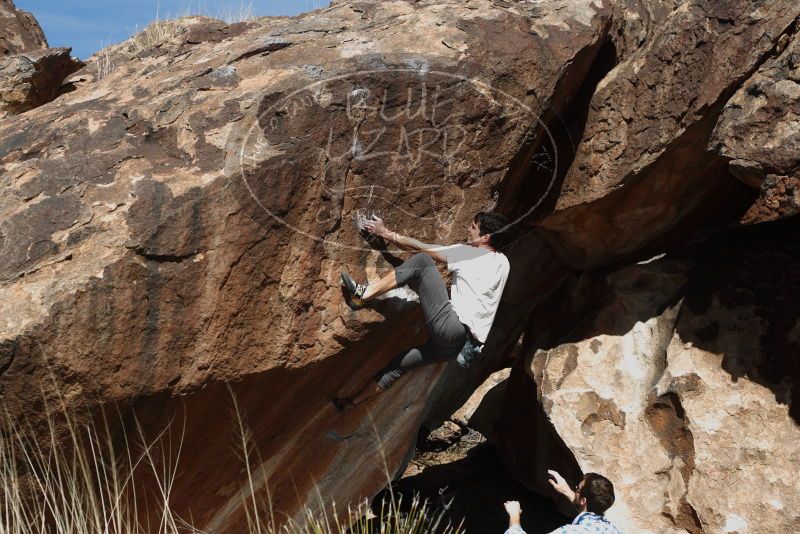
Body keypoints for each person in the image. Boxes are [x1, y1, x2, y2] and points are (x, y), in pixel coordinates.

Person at [334, 211, 510, 410]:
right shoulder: (504, 263)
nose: (468, 228)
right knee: (399, 365)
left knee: (422, 262)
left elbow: (421, 248)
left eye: (474, 226)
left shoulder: (469, 253)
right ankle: (351, 402)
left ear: (486, 237)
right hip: (460, 348)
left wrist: (385, 232)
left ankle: (362, 295)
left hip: (452, 328)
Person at [502, 471, 623, 534]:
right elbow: (587, 516)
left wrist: (514, 516)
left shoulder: (570, 532)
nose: (576, 489)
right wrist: (567, 491)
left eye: (578, 488)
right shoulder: (612, 529)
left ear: (583, 500)